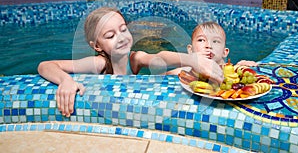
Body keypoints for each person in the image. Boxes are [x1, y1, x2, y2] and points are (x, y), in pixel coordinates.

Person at [38, 7, 224, 117]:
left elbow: (160, 57)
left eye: (123, 29)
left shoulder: (134, 59)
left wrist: (191, 59)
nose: (121, 38)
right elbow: (45, 66)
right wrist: (65, 80)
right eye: (110, 36)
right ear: (97, 46)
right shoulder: (100, 64)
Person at [166, 21, 257, 75]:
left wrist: (244, 65)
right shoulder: (185, 71)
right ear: (190, 50)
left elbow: (238, 71)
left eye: (215, 41)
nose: (208, 46)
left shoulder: (231, 70)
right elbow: (160, 79)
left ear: (224, 52)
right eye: (201, 40)